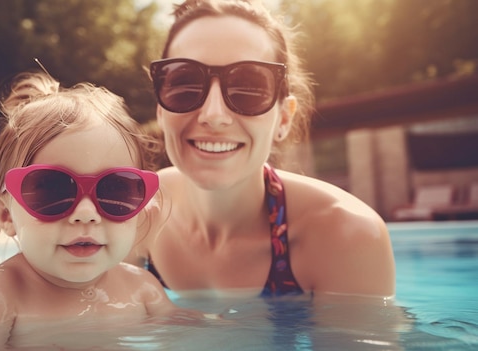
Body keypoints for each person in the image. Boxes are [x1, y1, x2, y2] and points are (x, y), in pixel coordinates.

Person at [0, 71, 204, 350]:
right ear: (5, 215)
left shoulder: (142, 290)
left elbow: (200, 336)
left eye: (115, 190)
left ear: (138, 210)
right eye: (53, 190)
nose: (86, 213)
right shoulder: (1, 295)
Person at [128, 0, 395, 299]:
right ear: (161, 111)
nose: (213, 114)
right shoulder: (137, 212)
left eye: (248, 87)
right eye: (185, 84)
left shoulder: (346, 236)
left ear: (283, 118)